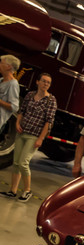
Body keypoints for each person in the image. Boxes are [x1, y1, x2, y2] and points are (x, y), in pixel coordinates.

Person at [1, 73, 56, 202]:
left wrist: (40, 139)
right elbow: (22, 111)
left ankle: (27, 190)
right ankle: (13, 191)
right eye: (43, 81)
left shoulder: (51, 100)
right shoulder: (30, 95)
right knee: (16, 163)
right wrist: (17, 123)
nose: (46, 84)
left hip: (34, 136)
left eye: (48, 82)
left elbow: (49, 122)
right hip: (22, 132)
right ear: (37, 82)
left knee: (23, 163)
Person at [0, 54, 21, 134]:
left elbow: (14, 107)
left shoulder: (13, 84)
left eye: (1, 63)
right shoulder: (1, 80)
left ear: (8, 67)